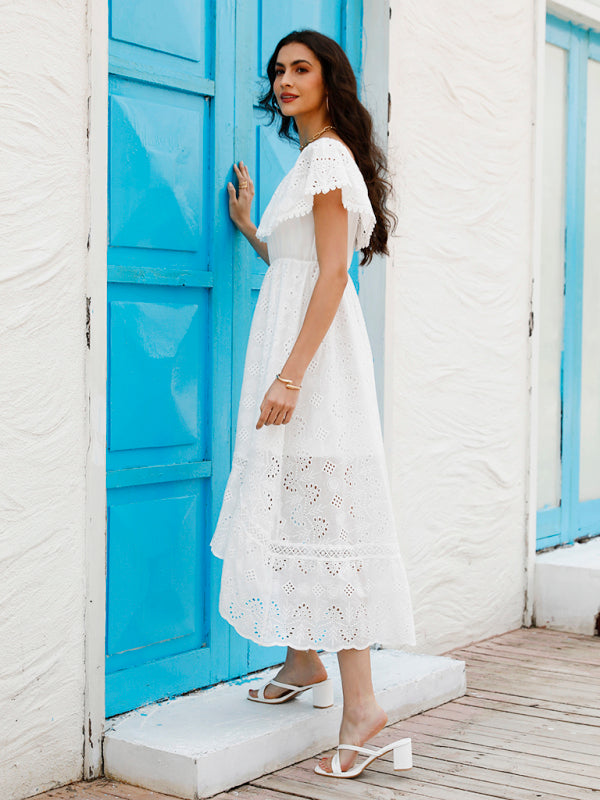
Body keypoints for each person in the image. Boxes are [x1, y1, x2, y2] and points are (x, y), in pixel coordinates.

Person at [210, 29, 417, 779]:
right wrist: (250, 232)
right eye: (278, 71)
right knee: (295, 501)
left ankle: (363, 707)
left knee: (327, 512)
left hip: (315, 366)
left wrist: (290, 377)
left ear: (331, 78)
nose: (286, 79)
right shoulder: (313, 159)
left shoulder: (327, 157)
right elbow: (302, 265)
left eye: (301, 68)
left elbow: (333, 278)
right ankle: (304, 659)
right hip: (298, 350)